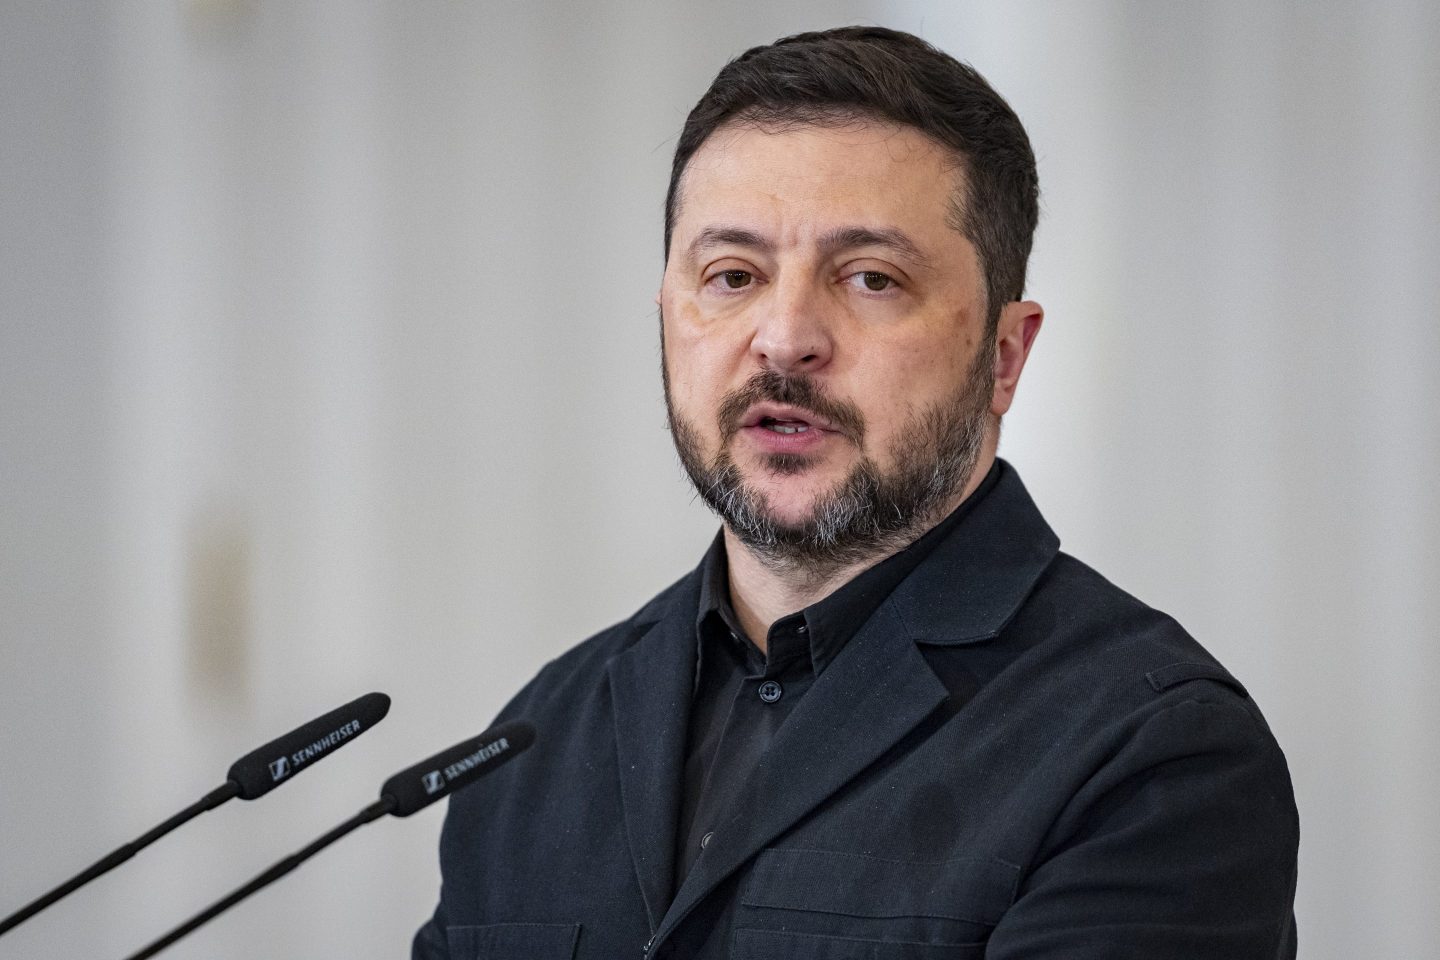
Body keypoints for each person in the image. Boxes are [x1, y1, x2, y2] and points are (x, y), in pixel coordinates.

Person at [413, 25, 1298, 960]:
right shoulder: (536, 740)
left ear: (1004, 356)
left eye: (871, 278)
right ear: (669, 317)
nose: (785, 337)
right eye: (733, 276)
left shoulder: (1152, 752)